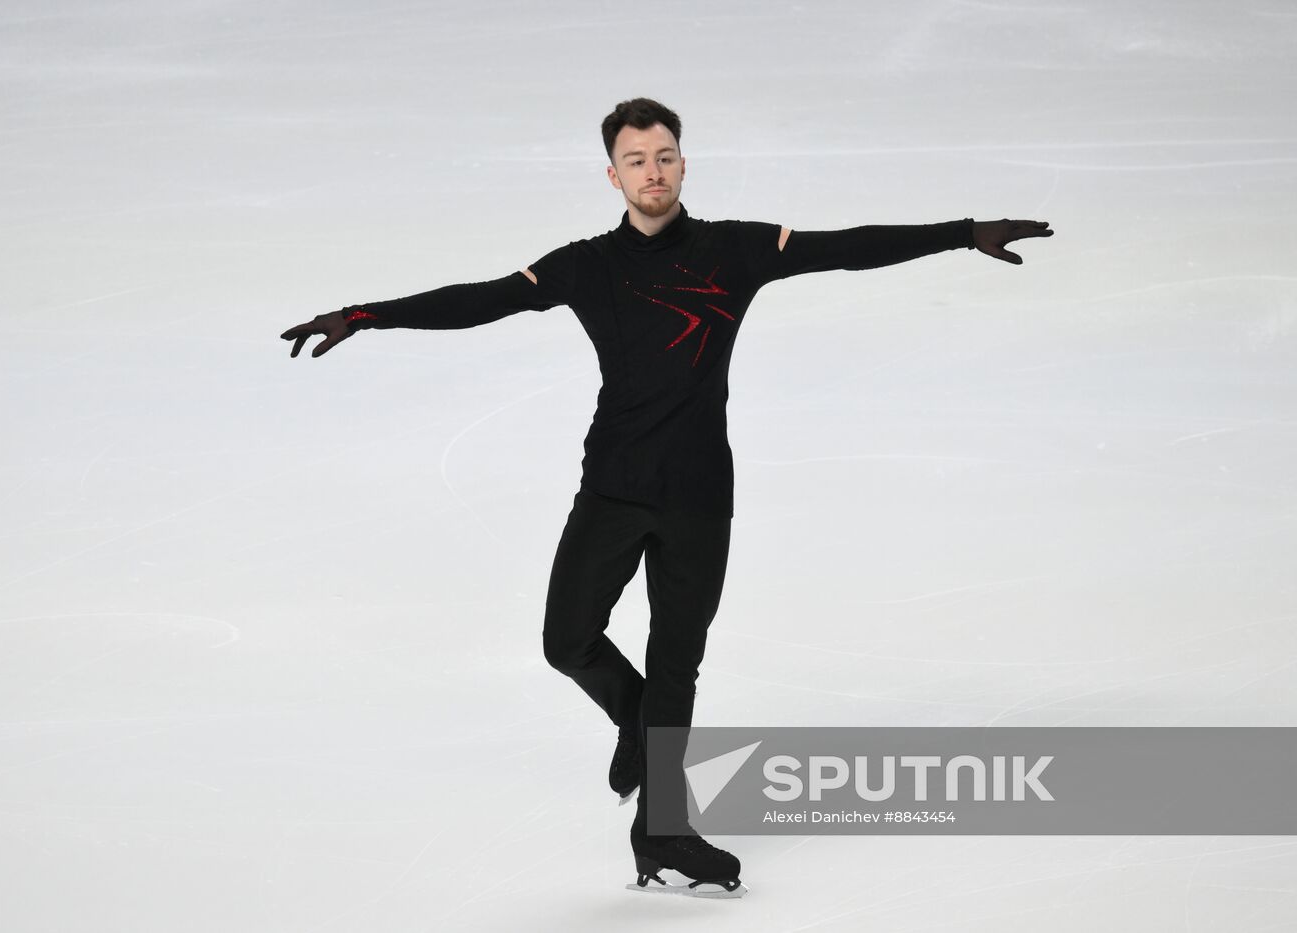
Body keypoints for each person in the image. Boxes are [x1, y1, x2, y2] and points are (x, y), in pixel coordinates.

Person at [281, 97, 1054, 898]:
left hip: (698, 494)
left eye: (664, 157)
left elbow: (848, 248)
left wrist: (964, 231)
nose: (653, 172)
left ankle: (663, 827)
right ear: (612, 176)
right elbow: (483, 299)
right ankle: (636, 720)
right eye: (637, 161)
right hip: (613, 488)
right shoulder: (585, 265)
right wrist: (363, 316)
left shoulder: (736, 249)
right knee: (566, 641)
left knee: (676, 663)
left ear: (683, 164)